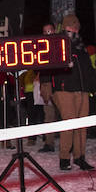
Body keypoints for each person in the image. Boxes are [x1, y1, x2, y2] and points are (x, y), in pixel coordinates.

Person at [50, 14, 96, 171]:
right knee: (69, 124)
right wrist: (47, 85)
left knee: (82, 125)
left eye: (76, 27)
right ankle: (64, 158)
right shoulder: (57, 43)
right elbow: (47, 64)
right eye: (71, 26)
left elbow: (90, 71)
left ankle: (80, 157)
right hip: (64, 89)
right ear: (65, 26)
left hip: (82, 91)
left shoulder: (82, 48)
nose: (74, 29)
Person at [38, 23, 60, 152]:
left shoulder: (60, 44)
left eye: (49, 31)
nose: (47, 34)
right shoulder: (41, 47)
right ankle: (49, 143)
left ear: (54, 31)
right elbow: (39, 69)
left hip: (61, 85)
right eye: (45, 31)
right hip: (47, 85)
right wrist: (43, 85)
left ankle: (69, 143)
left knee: (64, 115)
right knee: (49, 116)